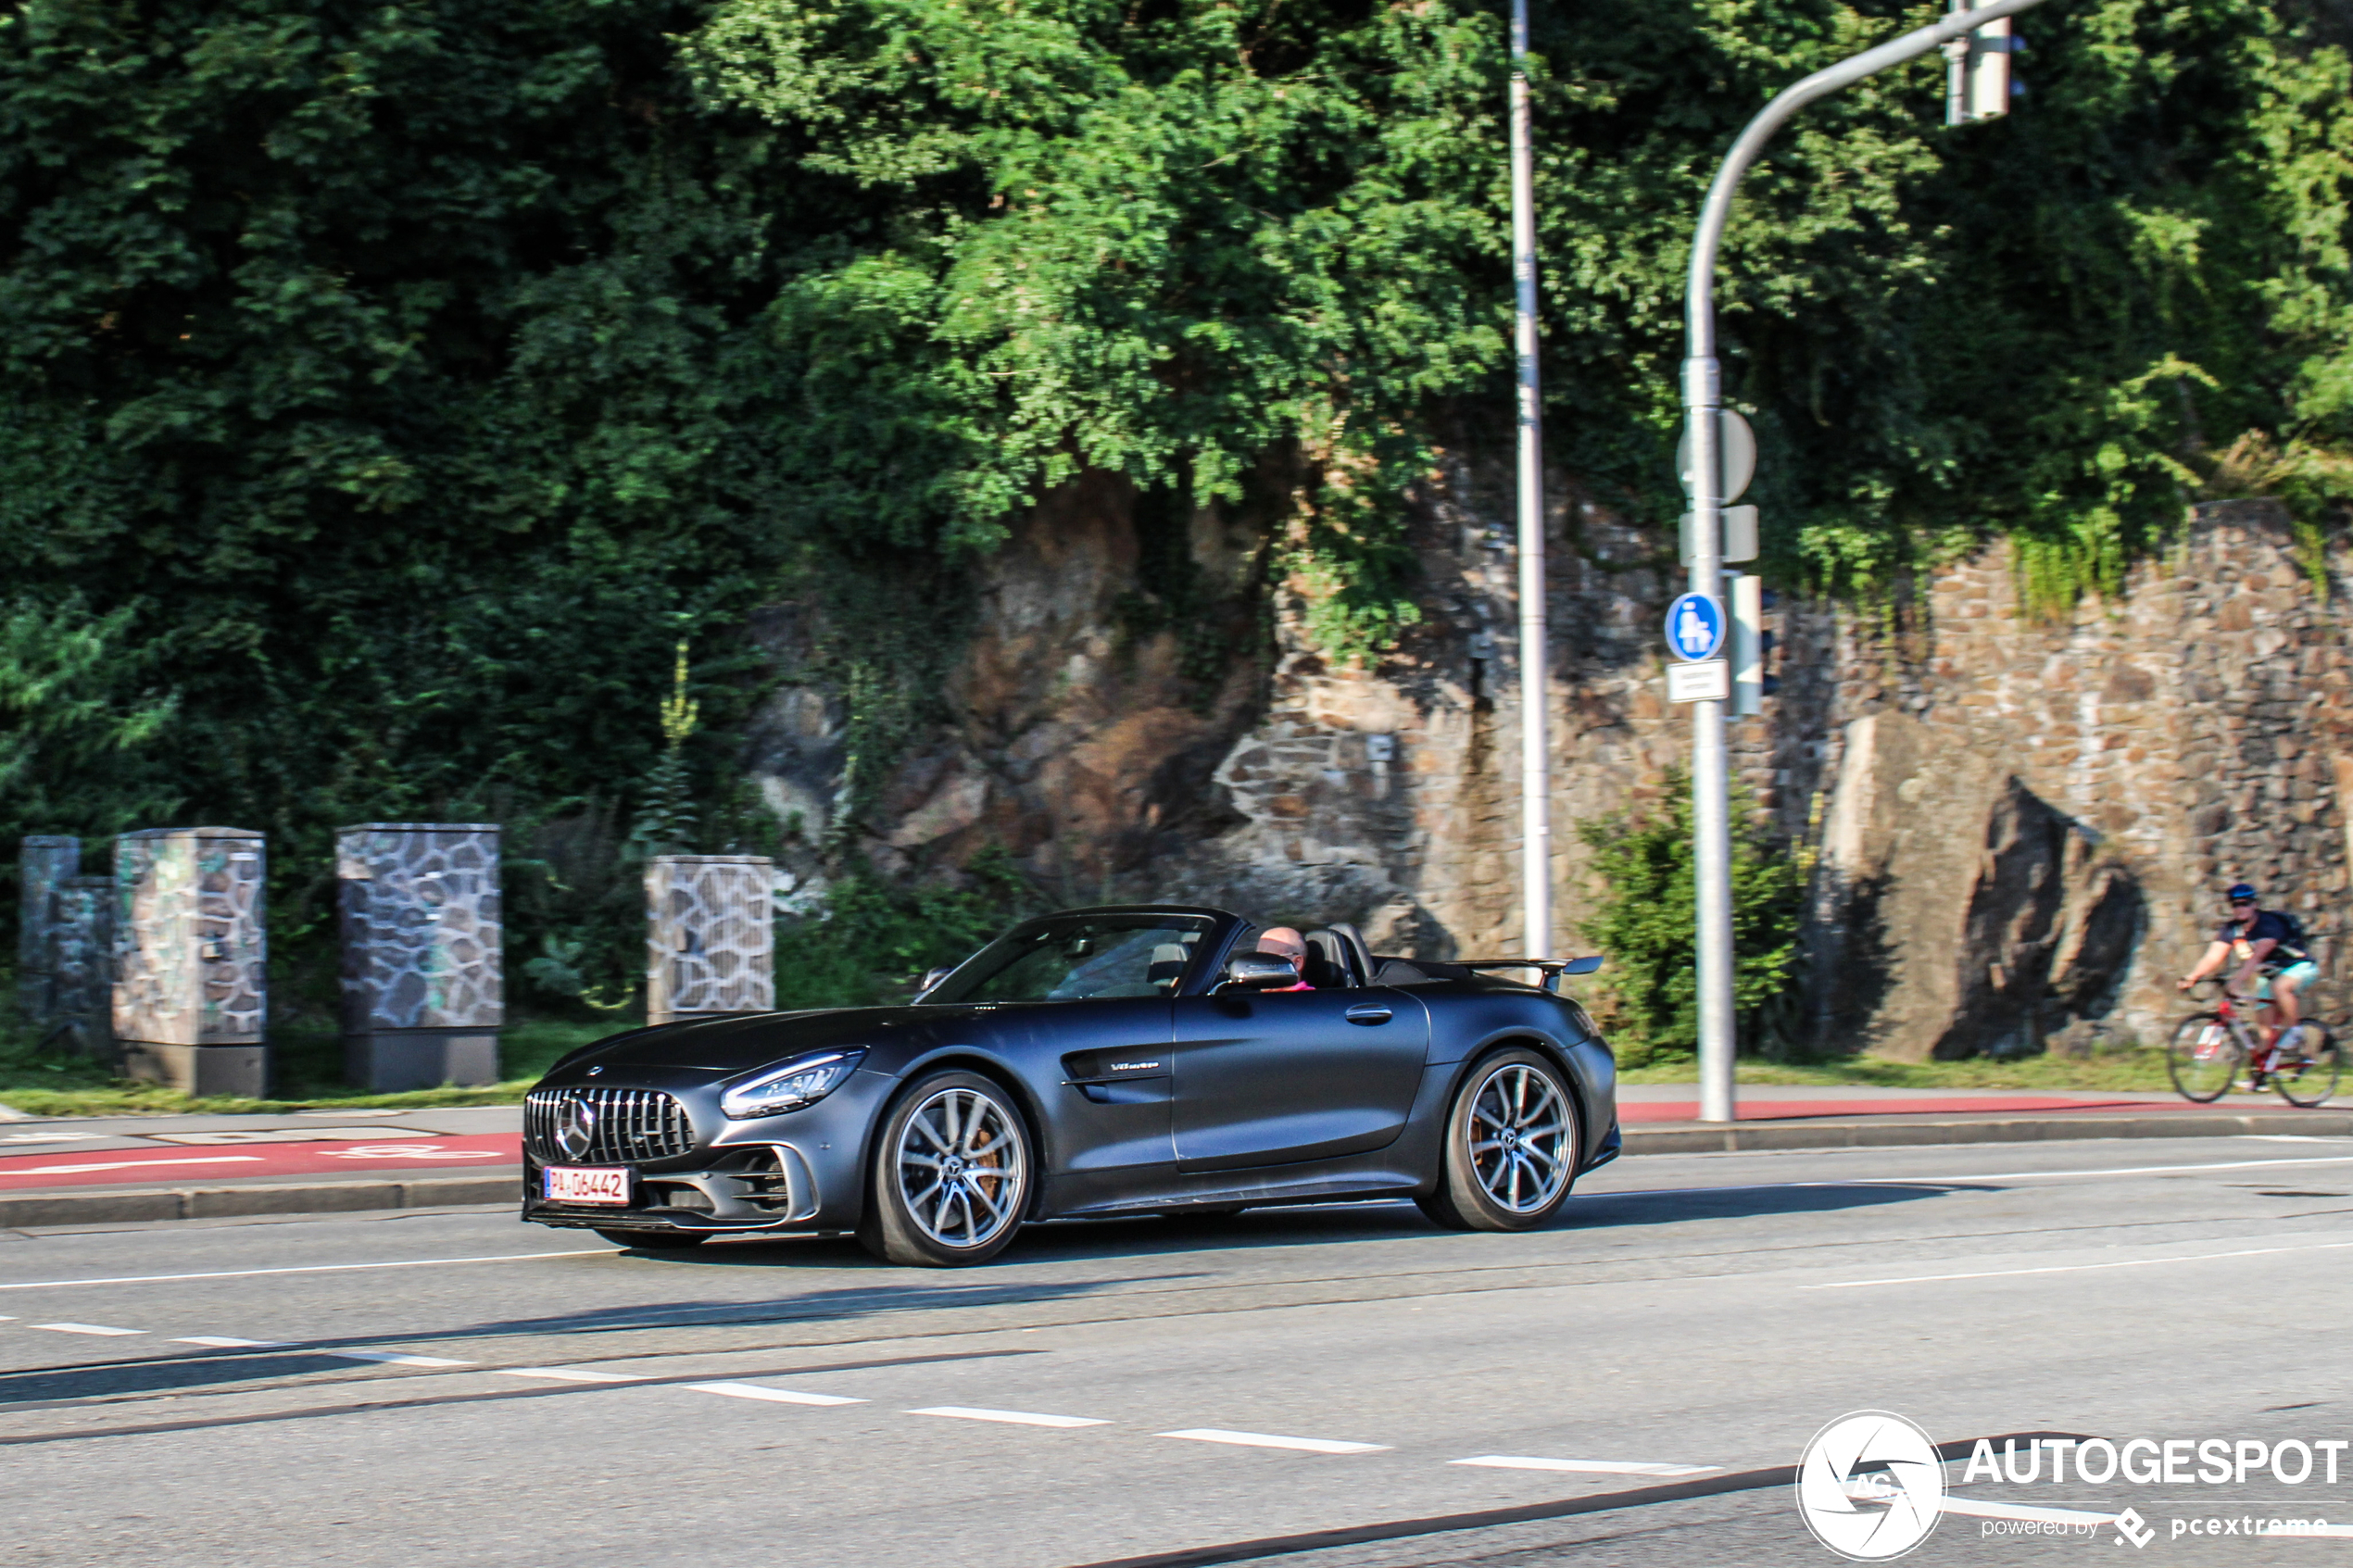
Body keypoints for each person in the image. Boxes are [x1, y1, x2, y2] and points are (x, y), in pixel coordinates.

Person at [2178, 883, 2319, 1072]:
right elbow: (2213, 956)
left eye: (2245, 903)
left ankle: (2295, 1032)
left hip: (2299, 966)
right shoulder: (2231, 929)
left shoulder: (2268, 924)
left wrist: (2237, 982)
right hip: (2271, 975)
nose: (2240, 908)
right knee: (2266, 1035)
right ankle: (2261, 1076)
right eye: (2235, 904)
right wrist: (2192, 976)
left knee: (2281, 988)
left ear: (2254, 904)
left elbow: (2257, 956)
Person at [1255, 926, 1315, 992]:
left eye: (1269, 959)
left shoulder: (1306, 999)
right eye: (1257, 959)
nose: (1259, 967)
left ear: (1296, 963)